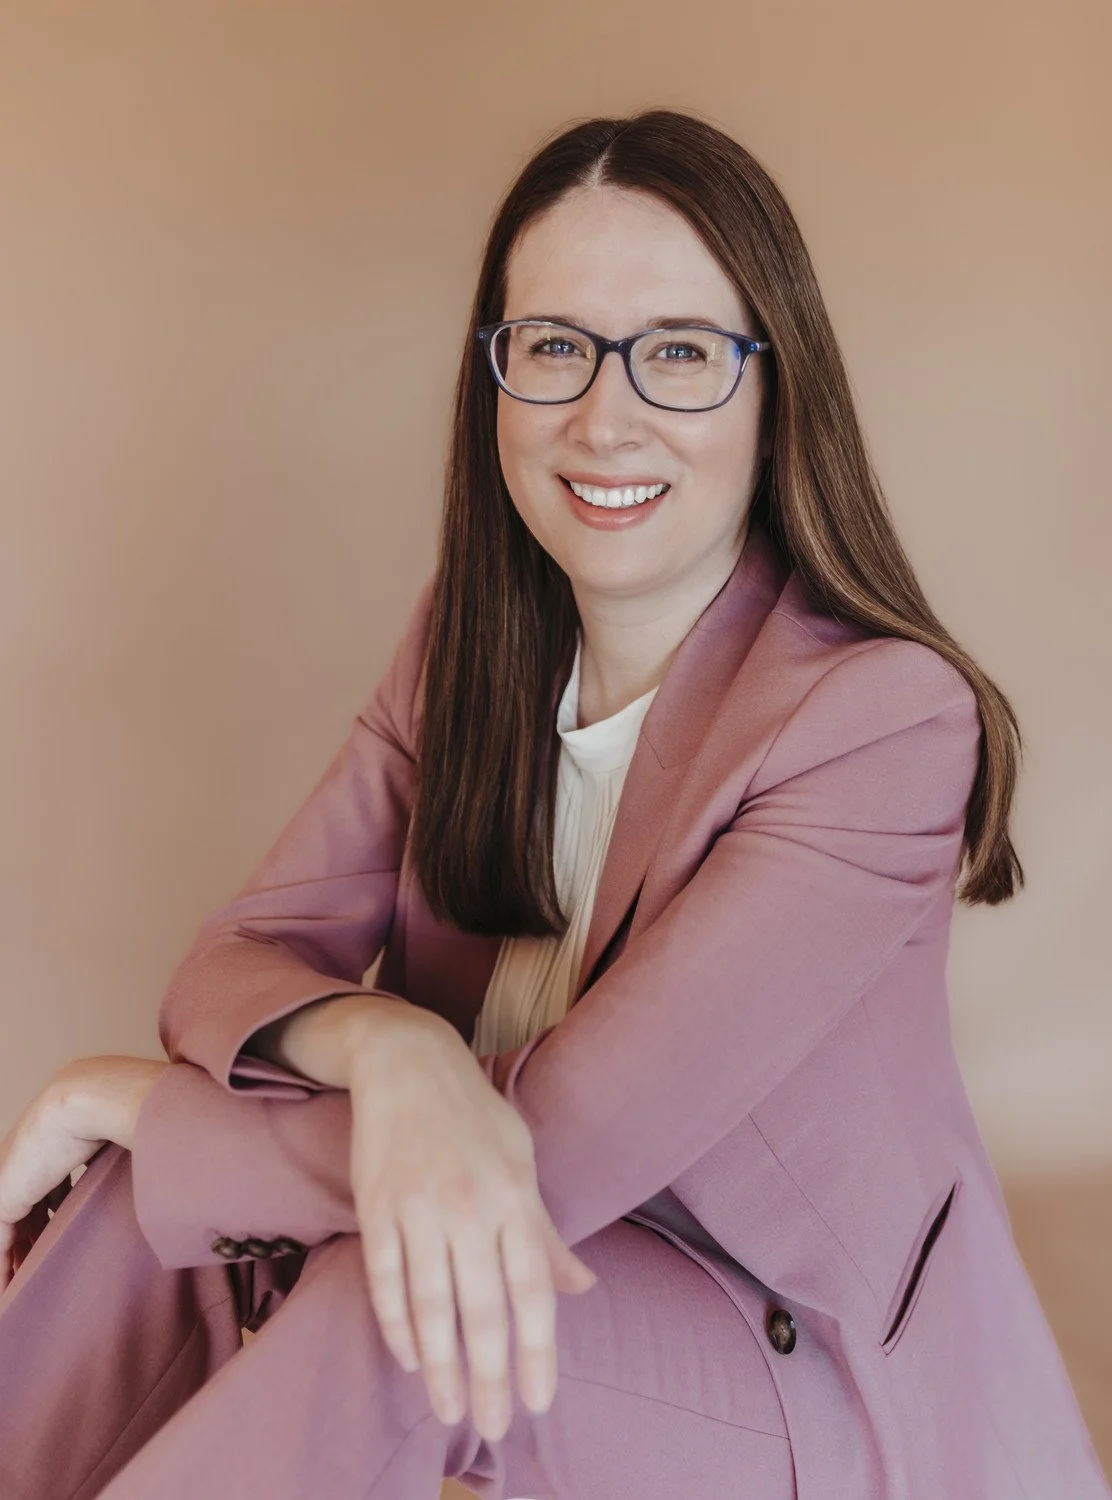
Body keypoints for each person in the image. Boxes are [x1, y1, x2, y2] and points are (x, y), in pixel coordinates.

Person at [0, 107, 1107, 1500]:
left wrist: (138, 1107)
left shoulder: (878, 723)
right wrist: (393, 1051)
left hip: (795, 1374)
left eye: (682, 354)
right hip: (568, 1277)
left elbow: (548, 1155)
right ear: (494, 378)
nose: (605, 413)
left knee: (388, 1295)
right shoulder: (469, 645)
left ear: (776, 399)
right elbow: (241, 962)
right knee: (137, 1215)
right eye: (556, 348)